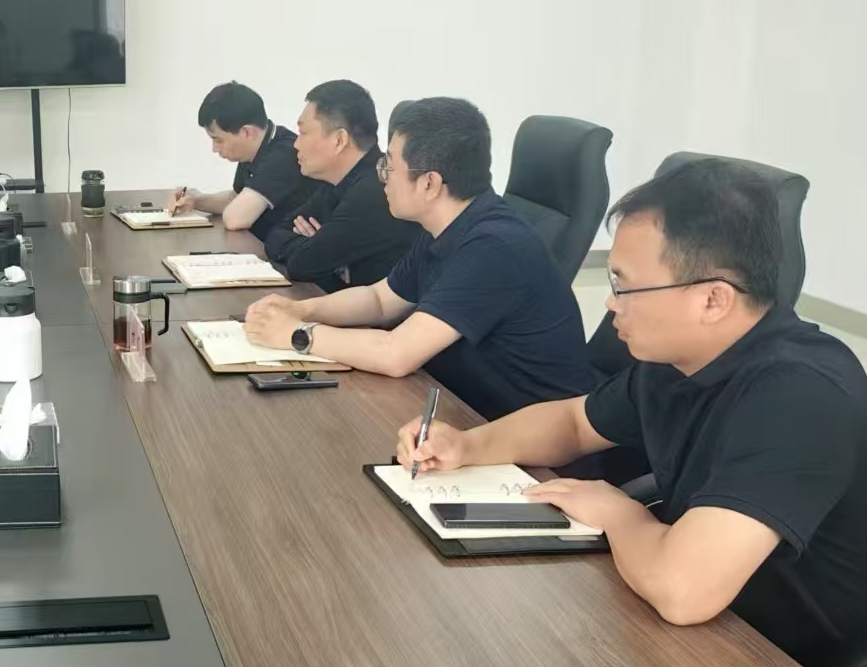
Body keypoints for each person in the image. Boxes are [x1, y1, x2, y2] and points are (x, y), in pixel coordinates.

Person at [397, 160, 867, 667]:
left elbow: (684, 591)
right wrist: (469, 445)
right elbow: (574, 423)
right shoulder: (679, 358)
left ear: (713, 299)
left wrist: (620, 513)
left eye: (625, 285)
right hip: (718, 619)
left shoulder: (800, 396)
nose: (611, 303)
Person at [245, 97, 594, 418]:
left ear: (429, 183)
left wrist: (296, 334)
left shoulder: (494, 247)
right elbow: (380, 300)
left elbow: (396, 353)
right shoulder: (445, 226)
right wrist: (301, 310)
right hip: (459, 406)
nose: (382, 177)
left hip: (523, 440)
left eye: (389, 165)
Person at [263, 80, 416, 293]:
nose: (296, 144)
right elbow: (276, 234)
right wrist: (326, 257)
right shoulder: (337, 181)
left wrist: (316, 251)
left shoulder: (375, 191)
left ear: (339, 140)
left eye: (303, 132)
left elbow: (302, 265)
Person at [167, 82, 317, 238]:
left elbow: (236, 219)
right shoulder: (258, 146)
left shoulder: (283, 154)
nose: (214, 149)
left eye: (218, 140)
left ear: (246, 132)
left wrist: (205, 202)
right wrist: (195, 200)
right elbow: (237, 198)